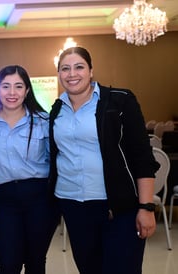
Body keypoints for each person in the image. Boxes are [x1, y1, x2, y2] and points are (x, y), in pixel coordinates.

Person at [49, 46, 160, 274]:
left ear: (91, 70)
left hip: (118, 207)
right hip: (74, 206)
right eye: (65, 69)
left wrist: (146, 207)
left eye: (79, 67)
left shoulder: (120, 101)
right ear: (59, 74)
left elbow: (141, 155)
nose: (72, 74)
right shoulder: (56, 110)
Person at [0, 65, 59, 274]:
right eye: (5, 86)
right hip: (4, 202)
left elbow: (55, 162)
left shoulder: (43, 121)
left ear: (27, 90)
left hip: (40, 200)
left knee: (35, 262)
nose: (12, 93)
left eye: (18, 86)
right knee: (8, 265)